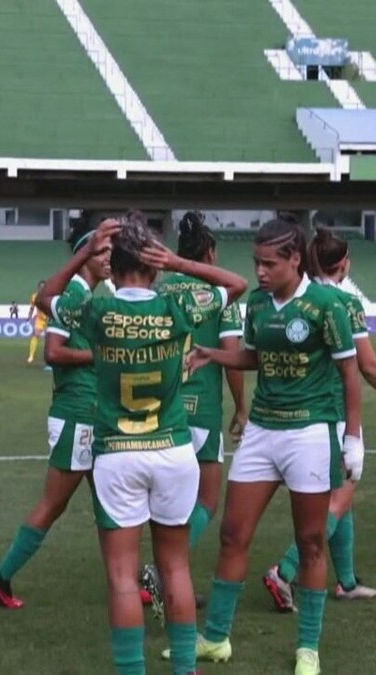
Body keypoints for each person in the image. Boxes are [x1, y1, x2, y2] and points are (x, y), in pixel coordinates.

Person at [37, 214, 248, 675]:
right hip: (173, 449)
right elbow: (236, 284)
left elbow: (46, 296)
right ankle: (185, 669)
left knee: (121, 579)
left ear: (112, 270)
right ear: (153, 268)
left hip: (117, 454)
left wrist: (82, 254)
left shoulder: (99, 312)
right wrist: (178, 262)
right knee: (175, 569)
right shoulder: (176, 310)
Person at [186, 219, 362, 675]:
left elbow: (350, 375)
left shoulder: (327, 305)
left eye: (269, 263)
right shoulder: (259, 304)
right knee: (232, 534)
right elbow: (253, 357)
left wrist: (353, 437)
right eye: (256, 263)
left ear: (295, 259)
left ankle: (308, 649)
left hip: (309, 432)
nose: (260, 272)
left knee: (310, 541)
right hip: (262, 431)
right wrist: (212, 354)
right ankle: (217, 639)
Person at [262, 229, 376, 608]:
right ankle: (284, 570)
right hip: (334, 415)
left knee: (342, 497)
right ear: (344, 263)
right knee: (337, 501)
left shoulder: (305, 296)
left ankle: (345, 581)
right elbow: (367, 366)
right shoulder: (344, 303)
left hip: (303, 409)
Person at [0, 220, 112, 609]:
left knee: (109, 503)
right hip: (78, 413)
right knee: (53, 503)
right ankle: (0, 577)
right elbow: (53, 353)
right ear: (84, 255)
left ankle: (127, 580)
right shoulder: (73, 293)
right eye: (102, 252)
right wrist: (103, 356)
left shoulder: (83, 292)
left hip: (89, 411)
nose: (109, 259)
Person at [140, 211, 247, 620]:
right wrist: (240, 408)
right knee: (206, 500)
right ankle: (165, 572)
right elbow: (233, 353)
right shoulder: (218, 290)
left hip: (161, 409)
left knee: (162, 502)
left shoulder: (161, 286)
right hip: (201, 410)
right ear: (210, 253)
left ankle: (163, 573)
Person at [27, 281, 49, 364]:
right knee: (35, 335)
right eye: (41, 287)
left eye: (44, 286)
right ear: (38, 288)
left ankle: (48, 357)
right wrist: (29, 316)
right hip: (40, 319)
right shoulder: (34, 297)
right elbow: (32, 308)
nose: (42, 288)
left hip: (49, 319)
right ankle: (31, 355)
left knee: (49, 338)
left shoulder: (50, 295)